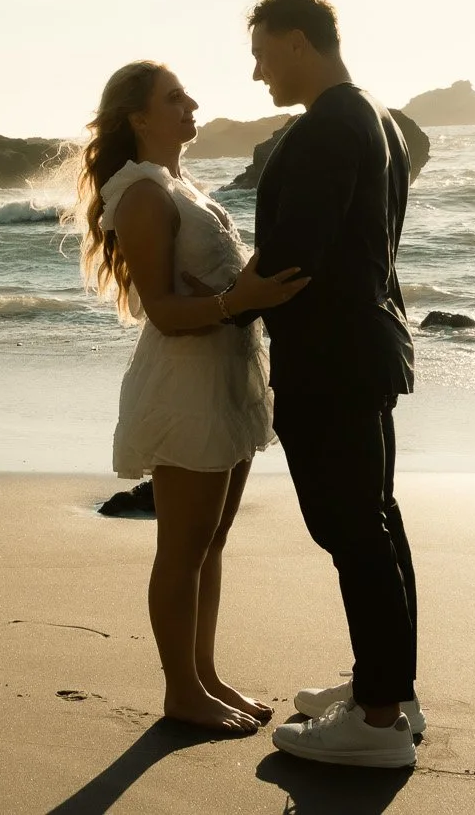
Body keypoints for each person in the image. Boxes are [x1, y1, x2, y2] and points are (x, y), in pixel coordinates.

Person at [74, 59, 310, 734]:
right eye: (174, 98)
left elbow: (216, 288)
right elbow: (163, 311)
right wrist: (240, 298)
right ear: (139, 118)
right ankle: (181, 690)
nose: (191, 104)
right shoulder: (144, 195)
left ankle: (204, 674)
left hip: (227, 376)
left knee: (212, 540)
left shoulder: (180, 187)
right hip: (187, 387)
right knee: (182, 548)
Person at [233, 0, 424, 769]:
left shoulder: (327, 127)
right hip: (367, 347)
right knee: (374, 519)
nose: (258, 72)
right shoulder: (374, 116)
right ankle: (389, 689)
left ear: (298, 43)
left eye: (262, 54)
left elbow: (292, 257)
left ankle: (377, 721)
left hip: (333, 359)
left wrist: (221, 307)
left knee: (352, 529)